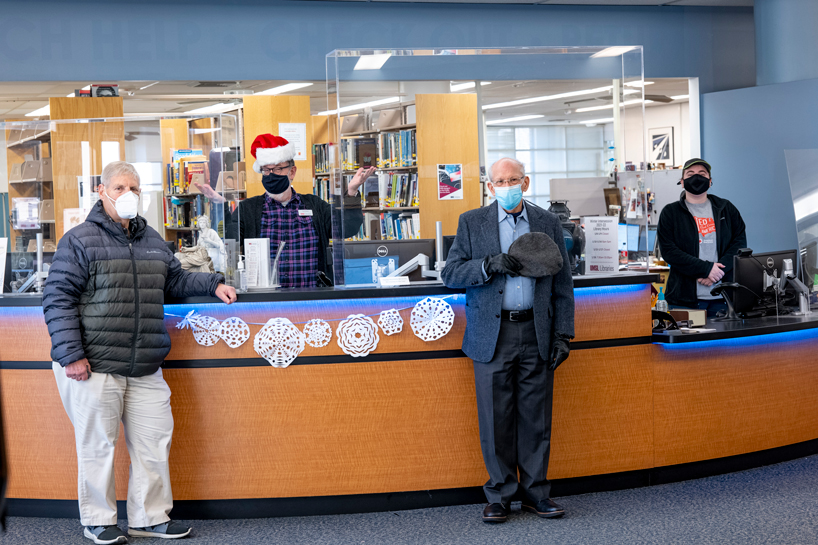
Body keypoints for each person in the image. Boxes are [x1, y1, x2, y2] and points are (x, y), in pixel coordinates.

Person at [43, 161, 237, 544]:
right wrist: (72, 355)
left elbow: (174, 279)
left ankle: (149, 518)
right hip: (95, 363)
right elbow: (57, 298)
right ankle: (98, 519)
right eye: (119, 188)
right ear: (102, 191)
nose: (127, 194)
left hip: (145, 363)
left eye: (134, 188)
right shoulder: (79, 240)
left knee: (154, 441)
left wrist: (213, 282)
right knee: (98, 445)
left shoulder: (153, 241)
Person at [442, 157, 575, 524]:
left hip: (536, 331)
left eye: (513, 179)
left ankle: (536, 495)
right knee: (495, 417)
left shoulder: (547, 222)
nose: (507, 186)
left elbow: (563, 284)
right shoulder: (472, 222)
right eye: (500, 181)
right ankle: (499, 494)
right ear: (490, 186)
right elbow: (451, 273)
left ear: (526, 182)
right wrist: (488, 265)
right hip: (492, 334)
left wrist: (564, 333)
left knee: (536, 417)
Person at [194, 133, 374, 287]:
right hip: (267, 300)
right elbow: (229, 239)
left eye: (278, 169)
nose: (271, 174)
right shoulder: (248, 209)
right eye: (266, 170)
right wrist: (220, 205)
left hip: (313, 298)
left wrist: (351, 192)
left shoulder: (314, 205)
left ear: (292, 172)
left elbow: (346, 229)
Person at [657, 158, 747, 315]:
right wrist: (705, 269)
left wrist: (717, 273)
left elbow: (739, 243)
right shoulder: (670, 213)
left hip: (722, 297)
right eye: (690, 173)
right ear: (682, 182)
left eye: (702, 173)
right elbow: (669, 251)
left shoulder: (726, 208)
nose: (696, 177)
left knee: (721, 340)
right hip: (683, 300)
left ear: (710, 181)